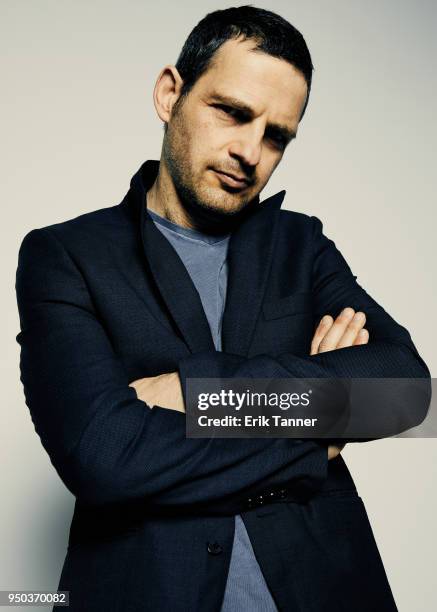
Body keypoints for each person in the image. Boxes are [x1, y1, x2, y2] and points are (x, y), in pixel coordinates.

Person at [15, 6, 430, 612]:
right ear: (170, 94)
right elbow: (105, 457)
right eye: (232, 113)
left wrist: (195, 391)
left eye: (276, 135)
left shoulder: (301, 246)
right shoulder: (66, 255)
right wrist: (318, 432)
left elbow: (405, 392)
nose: (250, 151)